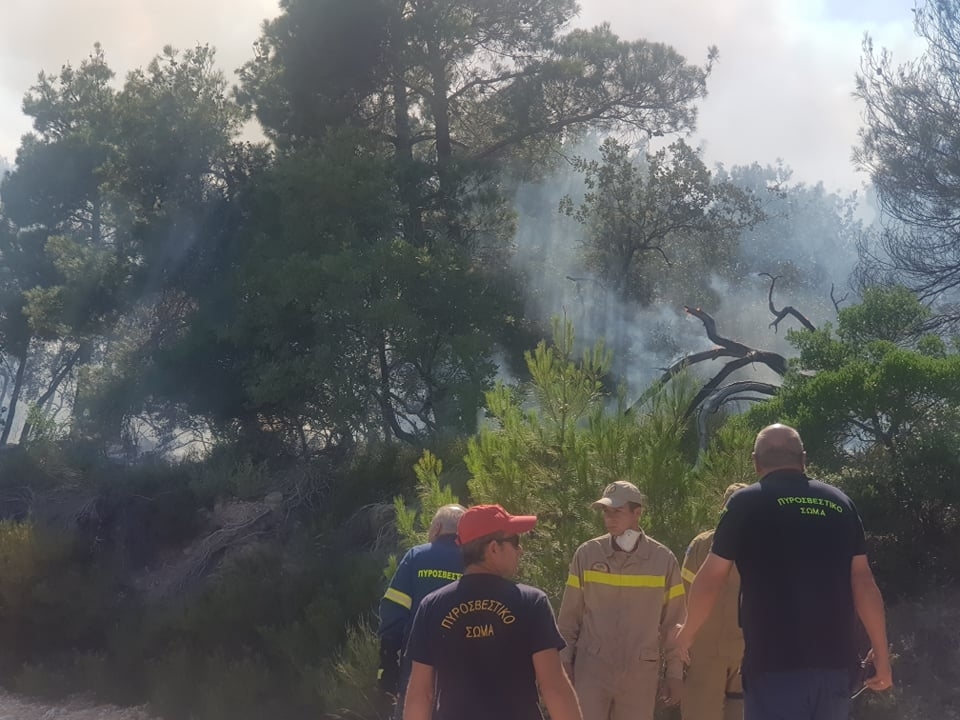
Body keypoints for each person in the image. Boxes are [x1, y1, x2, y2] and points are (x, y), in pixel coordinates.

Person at [674, 424, 893, 720]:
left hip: (773, 667)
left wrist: (687, 634)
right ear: (803, 459)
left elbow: (712, 576)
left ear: (756, 462)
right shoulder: (840, 503)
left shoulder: (745, 503)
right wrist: (881, 652)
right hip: (835, 667)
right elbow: (863, 582)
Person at [403, 504, 582, 720]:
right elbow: (553, 687)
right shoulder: (530, 602)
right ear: (494, 548)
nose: (520, 550)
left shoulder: (431, 606)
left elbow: (420, 694)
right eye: (515, 542)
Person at [557, 480, 685, 720]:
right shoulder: (587, 554)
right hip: (592, 669)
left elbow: (674, 624)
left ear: (637, 513)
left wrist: (675, 674)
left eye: (617, 511)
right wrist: (563, 660)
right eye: (606, 511)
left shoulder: (662, 561)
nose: (609, 518)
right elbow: (569, 617)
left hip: (639, 673)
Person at [378, 504, 466, 715]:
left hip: (415, 674)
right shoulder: (475, 561)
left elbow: (393, 614)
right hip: (464, 680)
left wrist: (387, 666)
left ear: (436, 528)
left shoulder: (416, 557)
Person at [680, 483, 749, 720]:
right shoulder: (702, 544)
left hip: (745, 652)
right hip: (706, 651)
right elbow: (684, 593)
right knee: (701, 713)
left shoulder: (762, 545)